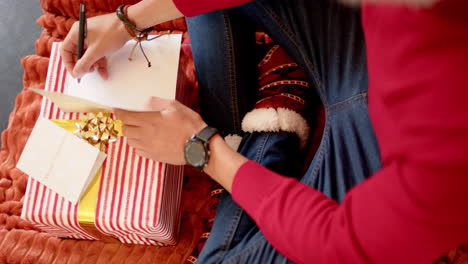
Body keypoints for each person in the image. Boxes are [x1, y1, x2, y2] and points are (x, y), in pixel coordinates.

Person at [60, 0, 468, 263]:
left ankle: (271, 130)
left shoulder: (449, 151)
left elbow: (337, 243)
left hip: (383, 164)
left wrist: (205, 150)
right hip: (365, 55)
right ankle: (268, 126)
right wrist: (126, 21)